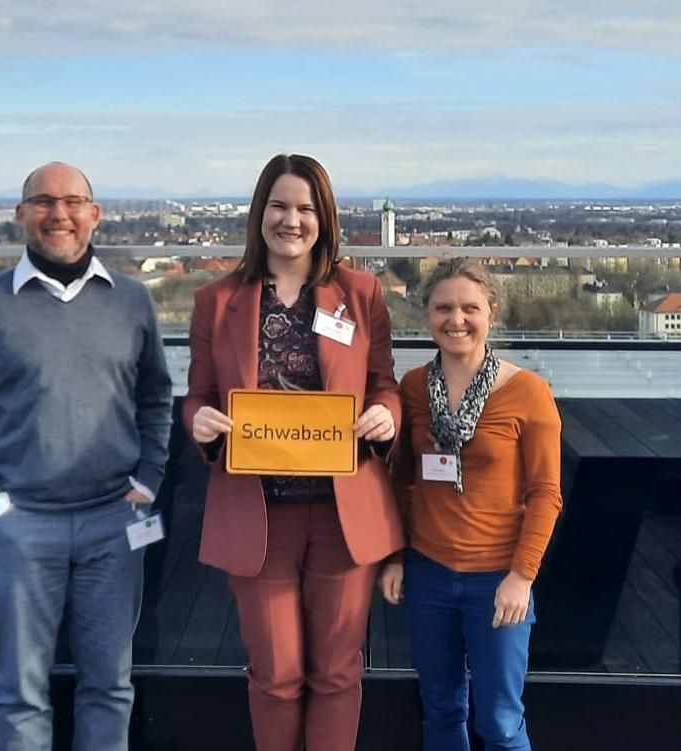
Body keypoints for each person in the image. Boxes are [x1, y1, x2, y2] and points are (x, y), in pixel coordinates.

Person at [0, 161, 173, 751]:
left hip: (115, 523)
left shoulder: (133, 301)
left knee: (110, 686)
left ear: (95, 214)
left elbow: (155, 398)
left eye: (72, 202)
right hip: (23, 524)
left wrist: (147, 482)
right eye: (42, 202)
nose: (58, 214)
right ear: (20, 215)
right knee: (19, 693)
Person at [183, 153, 403, 751]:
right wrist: (198, 420)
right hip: (257, 515)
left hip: (342, 513)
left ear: (323, 218)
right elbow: (196, 395)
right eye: (279, 205)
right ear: (260, 213)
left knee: (336, 672)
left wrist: (388, 413)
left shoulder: (361, 293)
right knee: (276, 674)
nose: (292, 219)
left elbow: (383, 383)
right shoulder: (217, 300)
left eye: (306, 208)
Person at [381, 257, 563, 751]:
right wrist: (396, 557)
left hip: (498, 580)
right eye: (443, 307)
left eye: (469, 308)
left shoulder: (528, 393)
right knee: (441, 709)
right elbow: (400, 479)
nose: (455, 319)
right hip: (429, 574)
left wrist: (522, 577)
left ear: (491, 312)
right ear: (426, 315)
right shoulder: (414, 388)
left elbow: (546, 494)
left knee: (501, 722)